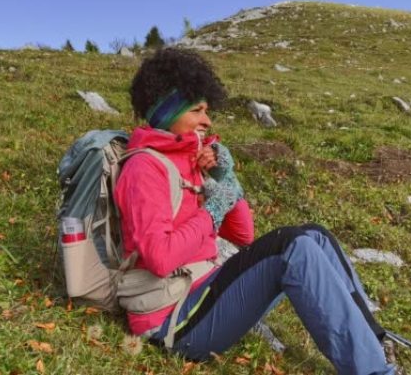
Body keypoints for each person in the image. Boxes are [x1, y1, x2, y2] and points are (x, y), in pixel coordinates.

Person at [114, 48, 396, 375]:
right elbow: (160, 258)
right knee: (293, 248)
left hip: (202, 293)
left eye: (208, 110)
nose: (207, 120)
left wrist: (225, 178)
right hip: (172, 322)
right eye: (197, 110)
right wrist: (212, 211)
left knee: (315, 236)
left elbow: (243, 234)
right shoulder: (144, 168)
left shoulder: (188, 159)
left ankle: (375, 344)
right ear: (167, 111)